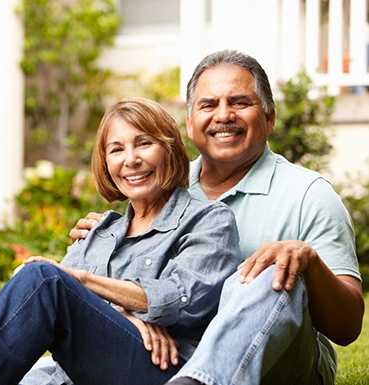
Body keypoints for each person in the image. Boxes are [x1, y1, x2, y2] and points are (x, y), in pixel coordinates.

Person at [71, 50, 364, 385]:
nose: (224, 115)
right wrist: (106, 243)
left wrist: (308, 263)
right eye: (208, 105)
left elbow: (348, 327)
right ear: (190, 123)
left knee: (270, 266)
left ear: (269, 117)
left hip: (277, 366)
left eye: (240, 102)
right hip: (167, 356)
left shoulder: (309, 194)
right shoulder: (159, 186)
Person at [0, 97, 241, 385]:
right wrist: (124, 316)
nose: (131, 159)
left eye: (144, 143)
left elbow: (182, 297)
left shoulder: (209, 219)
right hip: (77, 374)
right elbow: (39, 299)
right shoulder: (99, 231)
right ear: (106, 164)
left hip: (162, 367)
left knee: (45, 279)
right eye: (117, 150)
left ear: (170, 149)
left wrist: (83, 281)